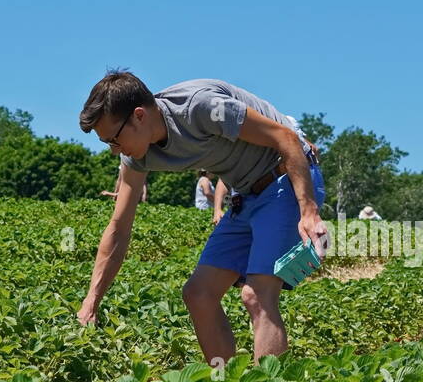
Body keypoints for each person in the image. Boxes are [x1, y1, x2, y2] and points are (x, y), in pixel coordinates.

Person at [77, 72, 326, 364]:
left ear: (139, 116)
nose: (113, 150)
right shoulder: (135, 157)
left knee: (257, 295)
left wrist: (308, 212)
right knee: (198, 294)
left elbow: (286, 138)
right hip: (245, 195)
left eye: (114, 140)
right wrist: (91, 301)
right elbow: (119, 229)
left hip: (287, 179)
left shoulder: (201, 108)